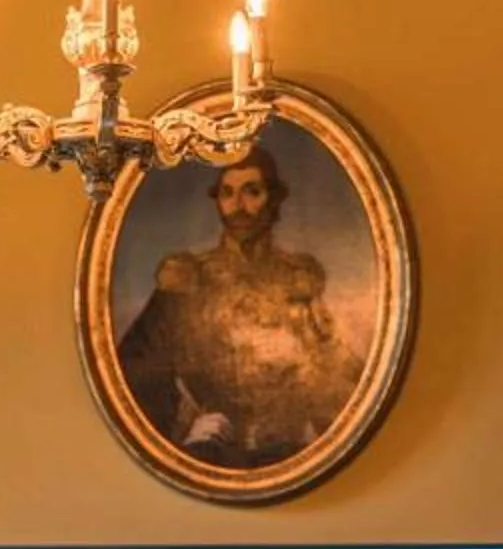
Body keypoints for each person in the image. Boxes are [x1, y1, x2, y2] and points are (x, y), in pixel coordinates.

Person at [113, 146, 359, 468]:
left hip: (287, 454)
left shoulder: (297, 278)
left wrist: (335, 439)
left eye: (251, 192)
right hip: (210, 451)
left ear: (273, 199)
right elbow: (137, 368)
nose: (237, 206)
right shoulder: (188, 277)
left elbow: (332, 372)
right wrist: (184, 431)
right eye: (227, 193)